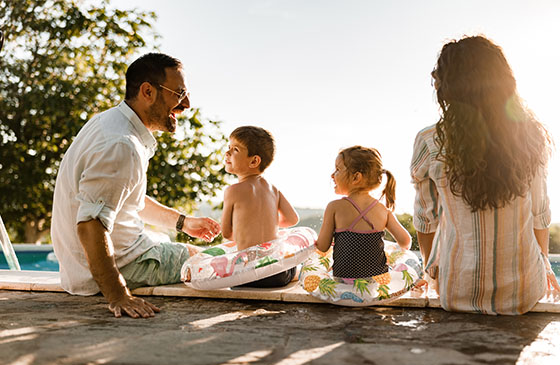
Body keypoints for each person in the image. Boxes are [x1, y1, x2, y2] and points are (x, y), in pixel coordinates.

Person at [51, 53, 220, 319]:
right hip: (119, 267)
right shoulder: (121, 145)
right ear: (147, 91)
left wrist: (183, 223)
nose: (186, 104)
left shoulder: (108, 123)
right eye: (179, 93)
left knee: (188, 250)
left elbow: (128, 200)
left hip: (97, 264)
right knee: (212, 264)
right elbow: (90, 224)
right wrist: (119, 294)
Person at [410, 35, 560, 315]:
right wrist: (545, 265)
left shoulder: (430, 140)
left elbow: (426, 221)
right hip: (524, 293)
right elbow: (540, 215)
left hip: (455, 292)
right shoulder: (530, 137)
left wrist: (432, 273)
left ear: (449, 87)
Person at [316, 146, 412, 280]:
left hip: (343, 281)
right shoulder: (384, 211)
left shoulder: (334, 207)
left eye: (337, 170)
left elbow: (322, 246)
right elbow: (405, 241)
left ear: (356, 177)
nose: (332, 175)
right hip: (375, 283)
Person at [221, 126, 300, 287]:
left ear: (254, 161)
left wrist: (247, 230)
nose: (227, 153)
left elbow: (227, 233)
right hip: (278, 274)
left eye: (235, 149)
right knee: (294, 265)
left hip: (245, 275)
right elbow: (293, 219)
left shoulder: (232, 191)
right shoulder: (273, 189)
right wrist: (269, 223)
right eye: (228, 148)